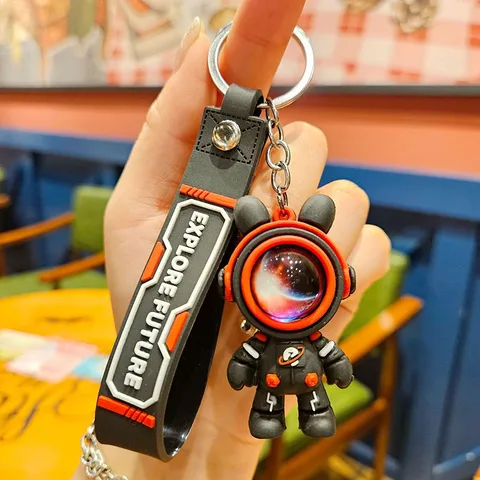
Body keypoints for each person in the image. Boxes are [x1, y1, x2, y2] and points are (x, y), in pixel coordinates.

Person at [73, 0, 391, 478]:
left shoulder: (303, 303)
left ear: (337, 281)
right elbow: (252, 356)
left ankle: (306, 412)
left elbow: (316, 355)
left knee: (302, 396)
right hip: (177, 411)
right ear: (233, 282)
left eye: (301, 284)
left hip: (242, 406)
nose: (288, 286)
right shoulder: (250, 292)